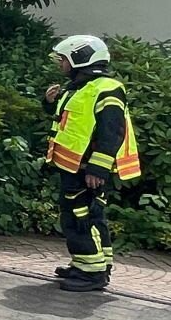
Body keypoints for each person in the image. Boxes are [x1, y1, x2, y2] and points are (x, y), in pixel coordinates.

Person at [44, 35, 141, 292]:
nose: (61, 64)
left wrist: (98, 168)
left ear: (80, 58)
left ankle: (93, 274)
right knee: (81, 216)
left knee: (83, 217)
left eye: (63, 59)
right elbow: (70, 124)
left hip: (87, 169)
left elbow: (112, 130)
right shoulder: (79, 87)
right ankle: (87, 264)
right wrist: (49, 103)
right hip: (74, 166)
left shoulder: (106, 88)